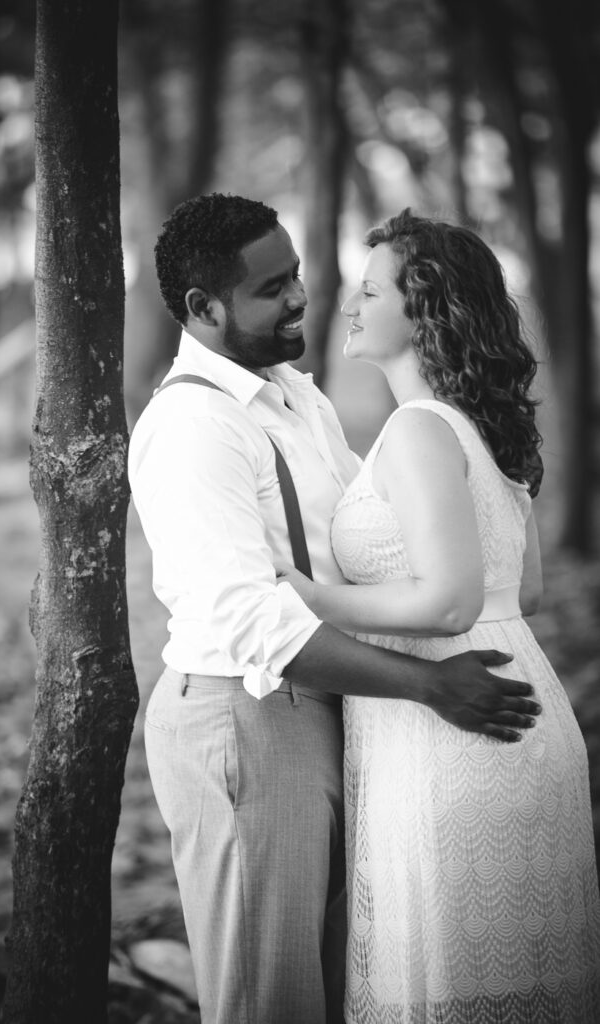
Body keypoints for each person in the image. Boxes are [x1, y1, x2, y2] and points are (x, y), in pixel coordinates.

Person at [127, 194, 542, 1024]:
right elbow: (249, 621)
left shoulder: (292, 395)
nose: (299, 298)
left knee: (331, 978)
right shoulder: (192, 428)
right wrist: (428, 686)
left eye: (296, 275)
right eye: (269, 288)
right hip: (245, 716)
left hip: (331, 699)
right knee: (266, 996)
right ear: (204, 309)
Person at [277, 209, 600, 1023]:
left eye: (370, 287)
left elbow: (451, 601)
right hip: (509, 702)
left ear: (424, 308)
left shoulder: (419, 430)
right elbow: (514, 596)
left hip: (454, 735)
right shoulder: (481, 427)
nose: (348, 302)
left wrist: (312, 598)